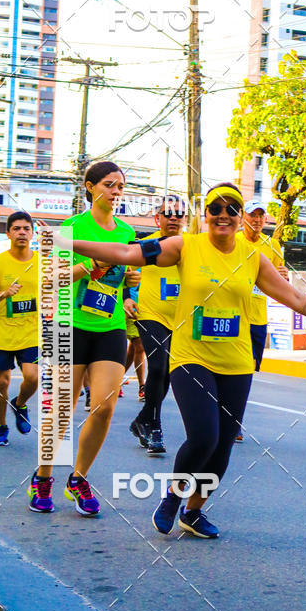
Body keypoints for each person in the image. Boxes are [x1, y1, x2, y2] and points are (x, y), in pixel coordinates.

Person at [69, 181, 306, 539]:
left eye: (231, 210)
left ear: (239, 219)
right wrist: (69, 243)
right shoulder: (185, 246)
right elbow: (128, 255)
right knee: (204, 436)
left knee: (222, 446)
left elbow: (299, 300)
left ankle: (194, 512)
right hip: (191, 357)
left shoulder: (252, 257)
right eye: (215, 209)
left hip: (236, 363)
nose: (223, 215)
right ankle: (173, 496)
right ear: (205, 216)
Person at [27, 160, 137, 515]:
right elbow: (46, 281)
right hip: (69, 326)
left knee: (104, 407)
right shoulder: (70, 228)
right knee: (61, 407)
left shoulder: (125, 233)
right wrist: (78, 269)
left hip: (110, 325)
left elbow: (124, 278)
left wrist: (131, 285)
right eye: (108, 184)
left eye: (120, 186)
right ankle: (43, 477)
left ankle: (78, 478)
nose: (115, 191)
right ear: (90, 187)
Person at [129, 195, 185, 455]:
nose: (173, 217)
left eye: (178, 214)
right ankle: (153, 425)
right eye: (167, 213)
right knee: (159, 365)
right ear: (157, 219)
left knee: (168, 374)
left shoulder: (191, 247)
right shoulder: (144, 246)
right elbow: (124, 275)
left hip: (181, 319)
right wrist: (127, 299)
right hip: (150, 315)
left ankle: (142, 418)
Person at [0, 211, 39, 446]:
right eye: (16, 228)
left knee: (32, 377)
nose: (22, 232)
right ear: (8, 233)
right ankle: (1, 425)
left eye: (26, 228)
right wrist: (4, 294)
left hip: (29, 330)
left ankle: (20, 403)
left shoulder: (41, 262)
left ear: (32, 233)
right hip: (2, 330)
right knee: (2, 381)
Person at [235, 197, 288, 441]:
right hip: (233, 313)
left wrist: (283, 276)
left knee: (248, 370)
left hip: (258, 315)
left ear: (265, 219)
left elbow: (279, 282)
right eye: (252, 215)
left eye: (260, 215)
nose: (256, 220)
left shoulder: (273, 245)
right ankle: (231, 419)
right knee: (232, 367)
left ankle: (233, 418)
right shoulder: (233, 240)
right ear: (243, 216)